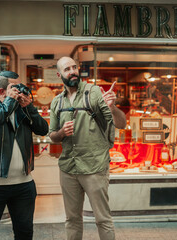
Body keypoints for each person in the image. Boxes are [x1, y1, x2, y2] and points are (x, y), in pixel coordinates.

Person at [49, 57, 126, 240]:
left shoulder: (95, 93)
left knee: (102, 219)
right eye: (67, 69)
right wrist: (61, 132)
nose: (73, 71)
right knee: (72, 219)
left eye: (74, 67)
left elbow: (121, 123)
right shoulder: (57, 103)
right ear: (60, 75)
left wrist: (112, 107)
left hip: (94, 167)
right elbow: (52, 136)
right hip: (68, 168)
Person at [0, 71, 48, 240]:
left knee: (25, 232)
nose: (20, 90)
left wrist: (28, 107)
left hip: (23, 183)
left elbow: (43, 129)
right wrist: (8, 104)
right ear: (2, 91)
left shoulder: (22, 109)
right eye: (15, 87)